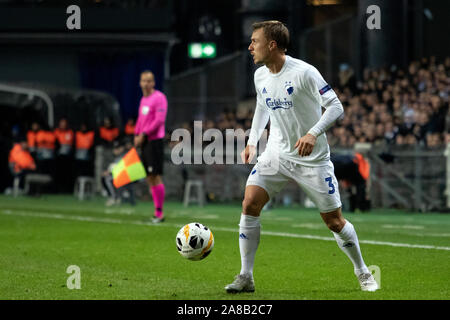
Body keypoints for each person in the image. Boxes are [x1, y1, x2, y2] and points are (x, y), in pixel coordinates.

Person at [225, 21, 378, 293]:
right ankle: (246, 276)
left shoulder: (305, 72)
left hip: (312, 160)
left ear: (272, 45)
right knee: (249, 204)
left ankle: (362, 270)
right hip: (276, 154)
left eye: (255, 41)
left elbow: (336, 106)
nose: (250, 47)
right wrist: (252, 141)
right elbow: (262, 107)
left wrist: (313, 133)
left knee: (334, 222)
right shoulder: (260, 75)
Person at [134, 70, 168, 223]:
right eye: (143, 81)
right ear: (140, 83)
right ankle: (156, 210)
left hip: (154, 141)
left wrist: (144, 134)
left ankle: (159, 213)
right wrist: (136, 134)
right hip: (144, 142)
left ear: (153, 83)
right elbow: (141, 120)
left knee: (155, 176)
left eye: (149, 81)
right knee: (149, 176)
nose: (146, 84)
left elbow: (159, 120)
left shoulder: (159, 98)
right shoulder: (143, 99)